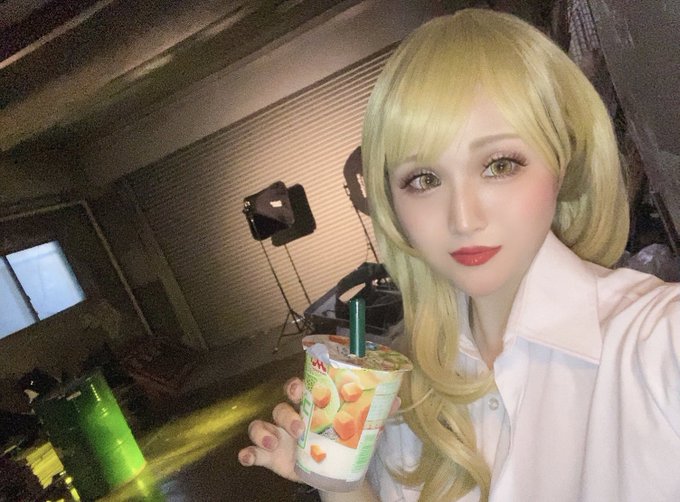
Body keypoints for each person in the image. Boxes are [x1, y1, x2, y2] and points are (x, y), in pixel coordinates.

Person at [239, 8, 680, 501]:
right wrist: (343, 484)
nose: (463, 218)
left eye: (499, 165)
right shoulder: (402, 399)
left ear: (562, 160)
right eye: (424, 179)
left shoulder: (659, 345)